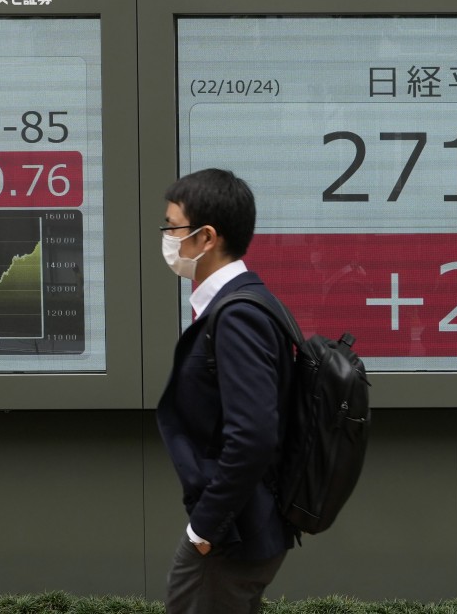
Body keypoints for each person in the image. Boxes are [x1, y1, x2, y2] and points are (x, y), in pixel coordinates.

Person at [156, 168, 295, 614]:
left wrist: (204, 529)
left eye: (173, 226)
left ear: (206, 237)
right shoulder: (244, 301)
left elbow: (253, 435)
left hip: (232, 536)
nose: (168, 238)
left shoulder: (236, 316)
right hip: (242, 528)